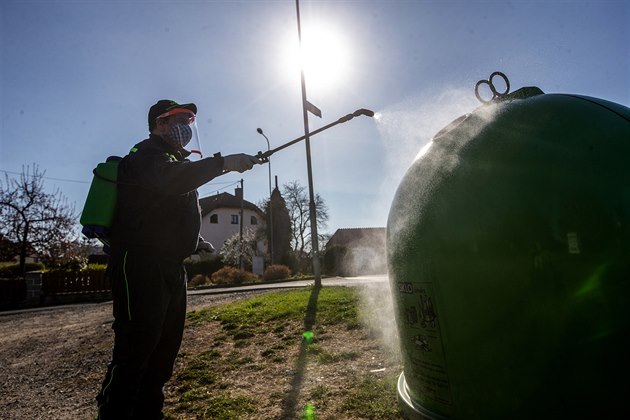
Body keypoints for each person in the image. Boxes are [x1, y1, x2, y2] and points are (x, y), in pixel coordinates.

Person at [96, 99, 261, 419]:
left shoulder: (173, 162)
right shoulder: (144, 155)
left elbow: (165, 208)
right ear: (159, 123)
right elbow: (171, 181)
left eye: (190, 121)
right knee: (135, 348)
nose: (187, 127)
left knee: (162, 353)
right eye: (180, 119)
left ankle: (148, 414)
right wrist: (223, 162)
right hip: (139, 263)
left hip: (171, 265)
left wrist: (193, 240)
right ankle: (112, 412)